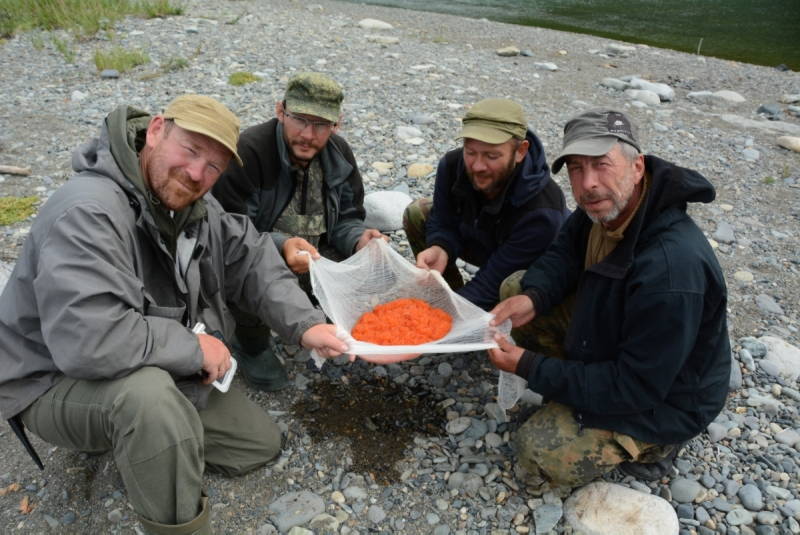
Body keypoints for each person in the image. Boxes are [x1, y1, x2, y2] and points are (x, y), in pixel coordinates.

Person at [0, 95, 349, 534]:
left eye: (215, 166)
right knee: (148, 400)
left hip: (144, 354)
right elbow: (89, 340)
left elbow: (252, 255)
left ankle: (140, 441)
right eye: (191, 150)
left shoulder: (190, 202)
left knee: (256, 445)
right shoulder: (88, 211)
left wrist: (307, 325)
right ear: (157, 130)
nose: (198, 173)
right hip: (49, 376)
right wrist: (192, 347)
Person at [489, 109, 731, 490]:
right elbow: (564, 253)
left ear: (637, 167)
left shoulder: (669, 269)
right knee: (517, 290)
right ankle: (579, 385)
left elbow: (636, 386)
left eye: (602, 165)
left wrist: (529, 366)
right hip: (616, 342)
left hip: (664, 399)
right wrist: (535, 297)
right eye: (575, 169)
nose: (588, 184)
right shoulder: (606, 207)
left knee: (535, 455)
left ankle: (658, 445)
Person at [212, 72, 383, 391]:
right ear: (280, 111)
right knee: (234, 269)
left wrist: (359, 238)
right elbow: (227, 235)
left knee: (362, 266)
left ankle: (310, 315)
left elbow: (347, 218)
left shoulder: (340, 155)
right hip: (254, 255)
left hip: (316, 256)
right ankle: (251, 344)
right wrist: (281, 245)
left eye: (321, 125)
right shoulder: (249, 152)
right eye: (299, 120)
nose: (308, 134)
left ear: (337, 124)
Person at [403, 98, 568, 310]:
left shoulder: (543, 210)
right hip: (483, 237)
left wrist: (442, 318)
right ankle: (444, 292)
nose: (478, 166)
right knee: (418, 212)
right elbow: (443, 219)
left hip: (529, 263)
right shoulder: (452, 165)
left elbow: (490, 283)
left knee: (513, 285)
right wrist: (440, 247)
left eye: (491, 155)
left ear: (520, 151)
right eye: (471, 152)